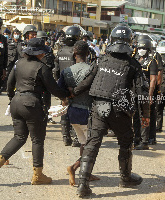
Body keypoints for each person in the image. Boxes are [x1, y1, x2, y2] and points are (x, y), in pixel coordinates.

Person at [69, 25, 150, 197]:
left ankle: (83, 186)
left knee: (92, 144)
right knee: (126, 141)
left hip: (99, 107)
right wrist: (146, 116)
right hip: (120, 110)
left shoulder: (100, 60)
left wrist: (71, 93)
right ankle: (125, 178)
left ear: (111, 41)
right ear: (130, 43)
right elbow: (142, 94)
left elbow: (86, 82)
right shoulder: (134, 65)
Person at [0, 38, 71, 185]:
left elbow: (9, 83)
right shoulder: (41, 67)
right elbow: (53, 88)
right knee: (37, 139)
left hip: (16, 103)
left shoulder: (18, 64)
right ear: (38, 53)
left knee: (19, 137)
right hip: (32, 105)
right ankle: (38, 175)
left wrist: (14, 99)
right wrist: (65, 97)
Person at [57, 40, 100, 186]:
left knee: (84, 143)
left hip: (72, 114)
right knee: (91, 146)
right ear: (88, 54)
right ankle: (75, 168)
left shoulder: (66, 71)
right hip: (87, 113)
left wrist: (67, 95)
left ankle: (85, 172)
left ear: (74, 54)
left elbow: (59, 90)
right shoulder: (92, 69)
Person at [54, 26, 81, 147]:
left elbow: (56, 71)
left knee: (64, 110)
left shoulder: (60, 51)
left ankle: (66, 137)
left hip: (63, 86)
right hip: (75, 87)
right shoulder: (77, 52)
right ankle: (76, 138)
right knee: (75, 111)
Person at [134, 39, 158, 150]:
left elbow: (153, 80)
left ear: (148, 50)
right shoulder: (135, 60)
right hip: (135, 92)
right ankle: (136, 139)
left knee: (144, 117)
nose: (141, 50)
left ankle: (144, 141)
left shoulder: (151, 62)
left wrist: (150, 95)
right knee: (135, 117)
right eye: (139, 48)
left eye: (143, 48)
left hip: (145, 93)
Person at [37, 30, 56, 124]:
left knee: (47, 97)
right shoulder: (35, 50)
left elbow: (53, 61)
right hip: (38, 75)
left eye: (44, 39)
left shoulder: (49, 49)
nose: (44, 41)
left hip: (47, 74)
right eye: (41, 39)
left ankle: (48, 115)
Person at [0, 28, 23, 93]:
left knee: (18, 76)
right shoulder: (9, 42)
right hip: (9, 61)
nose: (16, 35)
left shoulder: (21, 43)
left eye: (17, 34)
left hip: (18, 61)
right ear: (13, 35)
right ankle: (4, 87)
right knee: (6, 75)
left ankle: (16, 88)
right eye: (15, 34)